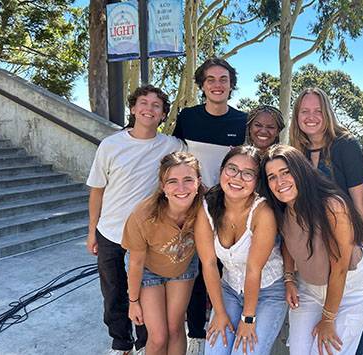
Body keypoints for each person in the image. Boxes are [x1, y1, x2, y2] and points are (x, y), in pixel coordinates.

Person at [86, 85, 184, 355]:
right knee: (113, 293)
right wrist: (92, 231)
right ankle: (120, 343)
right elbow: (97, 189)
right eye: (143, 103)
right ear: (133, 108)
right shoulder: (111, 145)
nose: (149, 109)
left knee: (145, 293)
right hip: (111, 232)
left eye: (156, 105)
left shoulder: (172, 146)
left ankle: (144, 343)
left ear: (163, 114)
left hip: (150, 236)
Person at [260, 144, 363, 355]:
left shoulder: (332, 206)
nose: (280, 182)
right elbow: (287, 242)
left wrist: (328, 319)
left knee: (326, 351)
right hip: (309, 286)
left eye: (286, 172)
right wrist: (288, 279)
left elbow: (340, 268)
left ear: (300, 171)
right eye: (272, 177)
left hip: (350, 288)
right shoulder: (283, 209)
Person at [172, 58, 247, 354]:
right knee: (193, 270)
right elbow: (174, 155)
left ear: (231, 85)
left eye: (224, 79)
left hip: (228, 209)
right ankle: (196, 335)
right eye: (211, 79)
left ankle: (225, 323)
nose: (218, 85)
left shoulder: (242, 121)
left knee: (220, 270)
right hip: (190, 207)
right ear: (202, 85)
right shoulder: (188, 117)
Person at [289, 87, 363, 354]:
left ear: (327, 113)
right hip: (314, 257)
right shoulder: (296, 152)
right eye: (304, 111)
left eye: (317, 111)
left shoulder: (345, 146)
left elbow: (359, 198)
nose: (311, 117)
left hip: (346, 248)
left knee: (345, 338)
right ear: (297, 116)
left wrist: (362, 242)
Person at [194, 145, 286, 355]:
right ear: (221, 170)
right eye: (232, 169)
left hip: (267, 293)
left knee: (246, 352)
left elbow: (254, 269)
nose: (237, 178)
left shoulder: (263, 213)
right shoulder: (207, 207)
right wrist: (219, 312)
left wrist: (248, 318)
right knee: (215, 351)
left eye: (248, 174)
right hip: (229, 289)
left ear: (257, 181)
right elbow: (208, 264)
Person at [122, 152, 205, 355]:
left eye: (188, 180)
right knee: (158, 337)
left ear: (198, 182)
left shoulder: (205, 208)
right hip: (148, 270)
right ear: (162, 186)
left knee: (175, 328)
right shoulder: (143, 216)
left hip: (182, 266)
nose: (181, 188)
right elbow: (136, 263)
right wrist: (133, 302)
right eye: (172, 181)